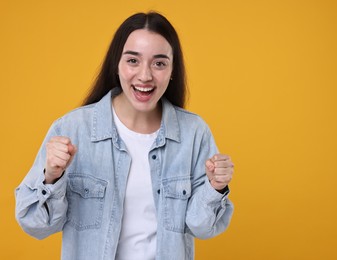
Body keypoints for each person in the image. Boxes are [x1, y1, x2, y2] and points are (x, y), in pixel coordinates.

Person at [15, 11, 234, 260]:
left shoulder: (194, 134)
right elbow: (35, 224)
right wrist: (51, 178)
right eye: (133, 61)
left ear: (173, 70)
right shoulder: (72, 129)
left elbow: (202, 228)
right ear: (116, 64)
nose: (145, 75)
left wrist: (216, 187)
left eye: (159, 63)